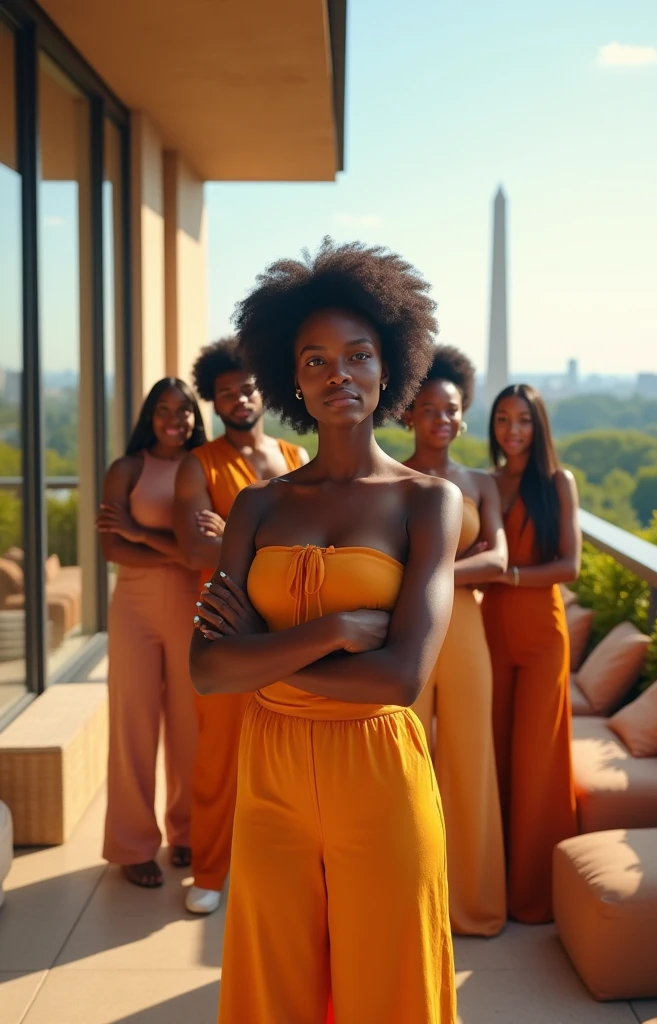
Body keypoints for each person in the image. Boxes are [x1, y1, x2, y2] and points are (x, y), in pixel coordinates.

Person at [190, 239, 460, 1023]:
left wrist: (258, 656)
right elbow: (207, 671)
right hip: (269, 770)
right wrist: (335, 626)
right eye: (314, 361)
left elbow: (401, 679)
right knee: (273, 992)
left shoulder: (427, 503)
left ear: (389, 369)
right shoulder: (259, 506)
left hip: (378, 773)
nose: (337, 373)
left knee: (391, 988)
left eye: (357, 354)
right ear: (292, 381)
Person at [173, 337, 308, 915]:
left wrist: (231, 530)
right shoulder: (197, 466)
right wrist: (265, 541)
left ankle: (284, 867)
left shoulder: (296, 458)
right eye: (226, 392)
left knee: (292, 751)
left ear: (264, 390)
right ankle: (209, 870)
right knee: (220, 755)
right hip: (225, 624)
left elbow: (317, 539)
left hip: (289, 624)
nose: (239, 397)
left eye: (247, 387)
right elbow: (194, 548)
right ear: (214, 401)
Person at [402, 344, 507, 937]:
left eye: (451, 409)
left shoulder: (481, 483)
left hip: (465, 631)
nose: (442, 419)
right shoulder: (390, 478)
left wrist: (431, 573)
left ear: (463, 414)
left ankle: (473, 904)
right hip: (410, 632)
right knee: (403, 761)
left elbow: (498, 559)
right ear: (408, 413)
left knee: (470, 763)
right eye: (429, 409)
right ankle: (406, 897)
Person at [97, 378, 206, 888]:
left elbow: (197, 552)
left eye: (184, 411)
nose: (174, 419)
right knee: (133, 724)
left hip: (193, 605)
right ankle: (131, 845)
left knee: (190, 726)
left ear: (194, 417)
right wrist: (171, 547)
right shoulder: (126, 469)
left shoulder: (203, 465)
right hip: (135, 606)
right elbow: (112, 550)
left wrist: (142, 532)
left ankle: (186, 832)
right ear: (149, 415)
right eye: (164, 409)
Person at [481, 383, 580, 924]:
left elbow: (570, 566)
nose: (511, 430)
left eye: (522, 420)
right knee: (494, 753)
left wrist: (508, 574)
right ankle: (496, 883)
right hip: (492, 629)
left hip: (543, 634)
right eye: (502, 419)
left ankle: (536, 895)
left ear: (538, 427)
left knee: (537, 759)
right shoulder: (488, 483)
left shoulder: (556, 482)